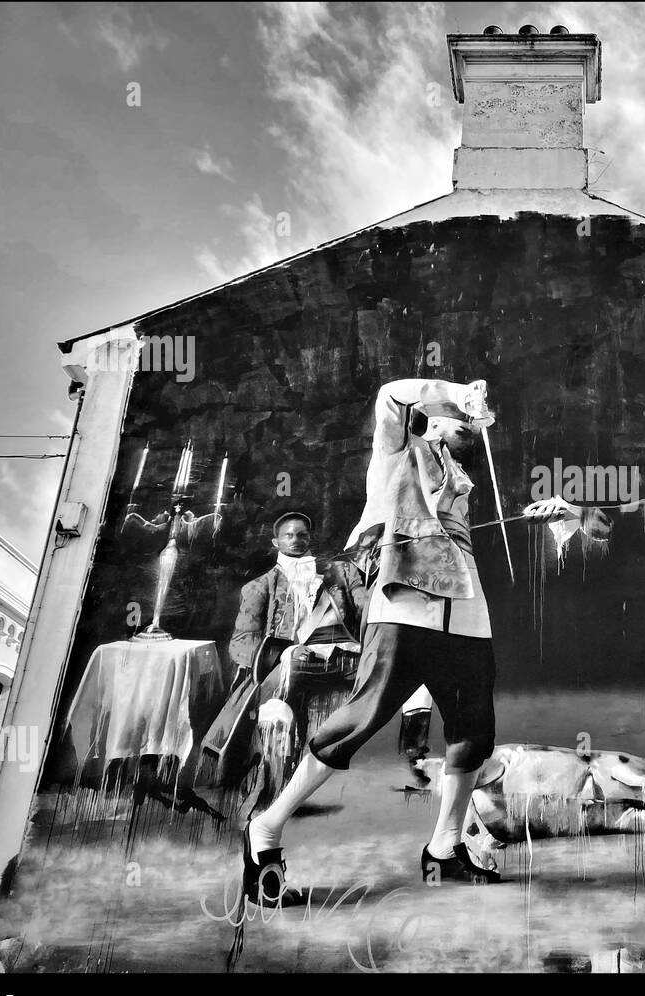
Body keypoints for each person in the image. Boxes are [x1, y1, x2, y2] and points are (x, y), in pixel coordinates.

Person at [240, 378, 567, 904]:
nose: (470, 425)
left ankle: (444, 847)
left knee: (474, 732)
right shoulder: (395, 452)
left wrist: (558, 521)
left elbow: (465, 541)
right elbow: (391, 394)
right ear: (431, 416)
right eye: (458, 417)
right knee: (361, 719)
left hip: (466, 612)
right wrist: (461, 391)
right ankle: (267, 827)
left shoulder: (458, 475)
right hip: (405, 604)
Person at [199, 511, 374, 799]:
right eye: (289, 535)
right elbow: (241, 643)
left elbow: (367, 605)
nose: (296, 540)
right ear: (276, 542)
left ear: (310, 538)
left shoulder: (341, 572)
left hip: (347, 657)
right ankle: (276, 786)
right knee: (283, 691)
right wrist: (285, 652)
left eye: (302, 535)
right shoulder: (260, 586)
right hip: (293, 664)